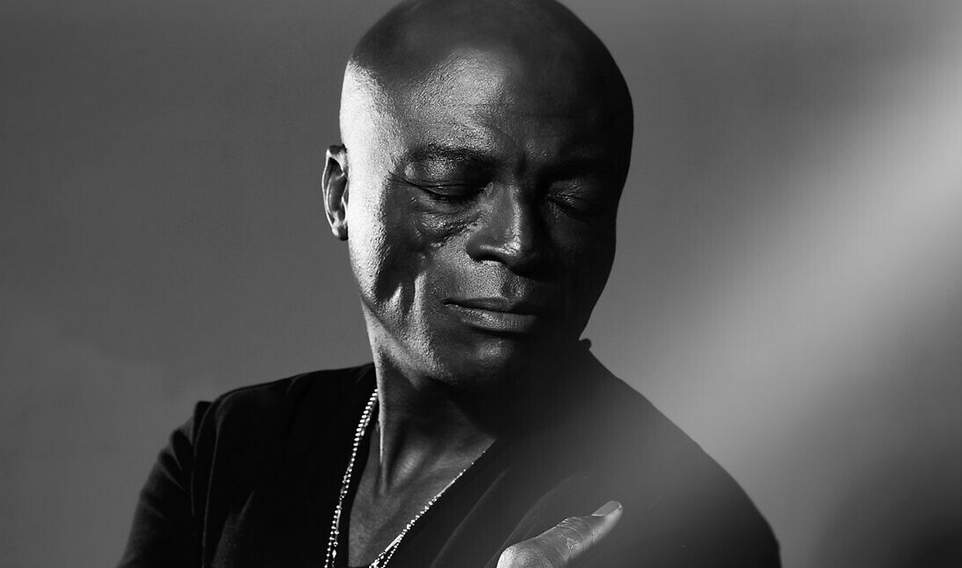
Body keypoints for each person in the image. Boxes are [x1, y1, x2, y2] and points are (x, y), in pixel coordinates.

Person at [118, 0, 781, 566]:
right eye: (451, 187)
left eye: (573, 200)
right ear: (341, 195)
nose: (519, 242)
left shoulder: (688, 527)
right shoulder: (228, 451)